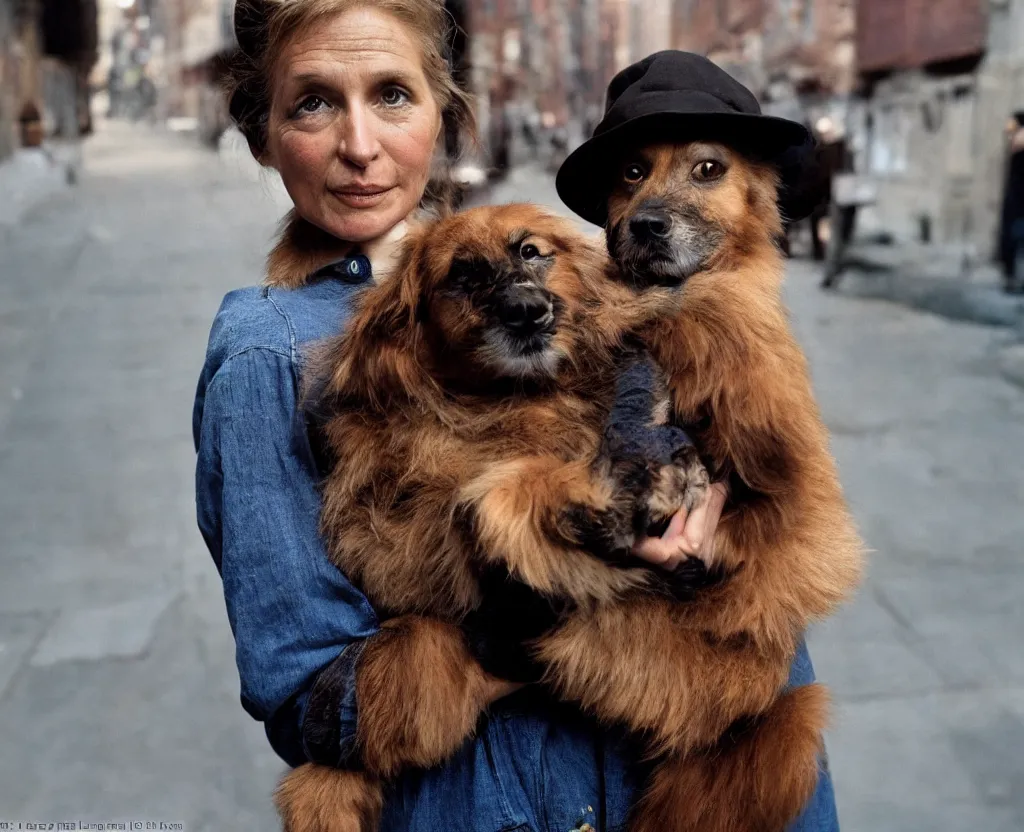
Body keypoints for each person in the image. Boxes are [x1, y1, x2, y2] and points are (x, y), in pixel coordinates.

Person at [193, 2, 838, 829]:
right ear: (262, 133)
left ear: (443, 113)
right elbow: (310, 706)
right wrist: (519, 622)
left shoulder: (578, 272)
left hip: (711, 760)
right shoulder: (270, 355)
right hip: (501, 799)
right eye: (312, 103)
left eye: (392, 95)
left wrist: (724, 539)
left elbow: (775, 516)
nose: (359, 146)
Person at [997, 111, 1024, 295]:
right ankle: (1011, 277)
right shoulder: (1015, 151)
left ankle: (1015, 278)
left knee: (1017, 241)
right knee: (1011, 242)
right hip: (1013, 205)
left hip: (1021, 206)